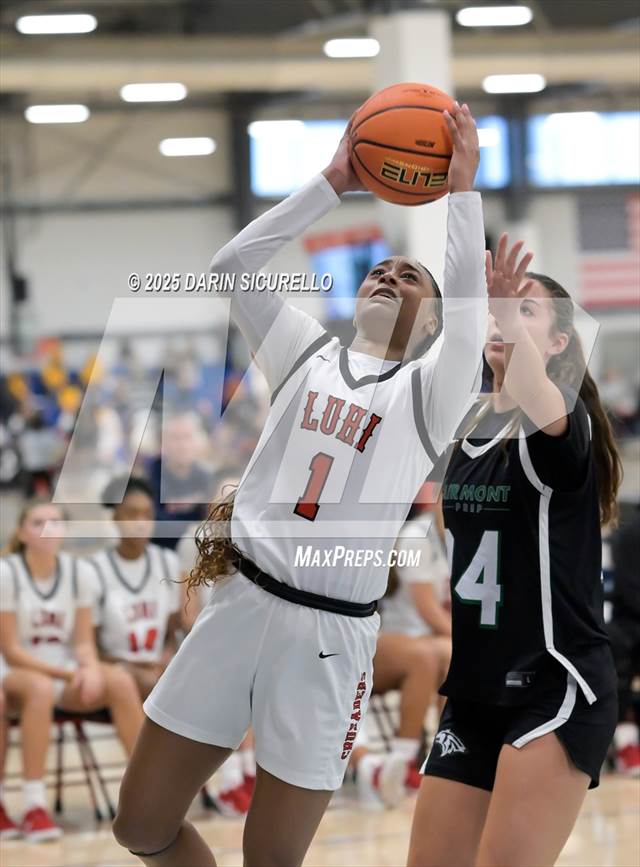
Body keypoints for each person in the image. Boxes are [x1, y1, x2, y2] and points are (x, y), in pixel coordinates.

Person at [113, 102, 486, 867]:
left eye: (409, 274)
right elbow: (233, 266)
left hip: (327, 636)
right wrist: (331, 183)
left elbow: (471, 321)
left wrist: (460, 194)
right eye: (380, 269)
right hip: (239, 602)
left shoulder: (425, 396)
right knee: (140, 825)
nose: (389, 272)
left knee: (273, 857)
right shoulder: (304, 353)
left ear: (429, 325)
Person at [407, 239, 622, 867]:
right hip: (476, 687)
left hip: (556, 683)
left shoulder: (562, 422)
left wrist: (497, 302)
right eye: (503, 311)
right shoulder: (468, 435)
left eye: (526, 311)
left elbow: (532, 392)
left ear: (557, 344)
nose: (504, 319)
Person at [0, 499, 144, 840]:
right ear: (22, 532)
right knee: (38, 687)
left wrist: (91, 667)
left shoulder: (80, 572)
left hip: (60, 670)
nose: (48, 529)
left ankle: (147, 793)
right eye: (38, 522)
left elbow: (82, 641)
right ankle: (34, 806)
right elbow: (12, 650)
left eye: (55, 522)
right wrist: (70, 675)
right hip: (13, 670)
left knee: (119, 681)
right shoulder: (7, 573)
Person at [354, 497, 451, 808]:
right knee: (434, 654)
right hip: (388, 636)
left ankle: (445, 754)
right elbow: (428, 610)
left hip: (425, 639)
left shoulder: (464, 535)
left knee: (450, 655)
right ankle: (404, 758)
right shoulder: (414, 537)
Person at [87, 476, 182, 701]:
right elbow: (89, 644)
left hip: (157, 668)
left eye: (147, 514)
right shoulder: (93, 569)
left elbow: (173, 631)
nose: (141, 522)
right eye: (132, 514)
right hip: (114, 668)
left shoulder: (168, 561)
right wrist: (129, 666)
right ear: (115, 518)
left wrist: (165, 658)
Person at [148, 413, 214, 550]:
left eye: (187, 437)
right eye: (175, 438)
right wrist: (190, 528)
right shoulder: (151, 474)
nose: (182, 445)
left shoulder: (206, 476)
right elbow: (152, 523)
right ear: (163, 443)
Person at [607, 508, 640, 775]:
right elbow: (629, 591)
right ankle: (626, 747)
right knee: (618, 660)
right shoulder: (628, 535)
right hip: (629, 623)